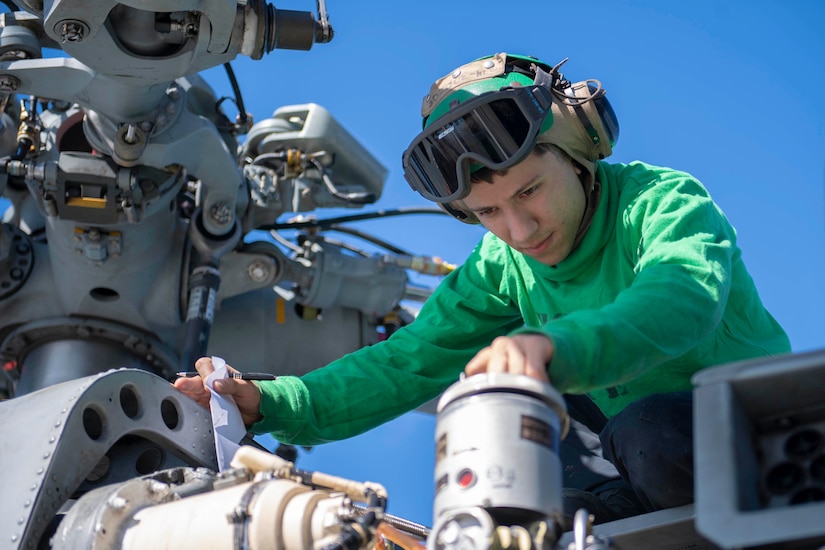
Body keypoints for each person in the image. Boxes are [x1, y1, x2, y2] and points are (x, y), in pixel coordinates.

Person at [176, 52, 790, 526]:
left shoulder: (661, 203)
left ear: (581, 150)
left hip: (769, 455)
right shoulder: (500, 265)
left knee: (643, 428)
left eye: (528, 192)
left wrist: (553, 349)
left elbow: (680, 300)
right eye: (489, 212)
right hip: (636, 473)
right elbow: (406, 364)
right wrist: (274, 402)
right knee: (522, 498)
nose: (518, 230)